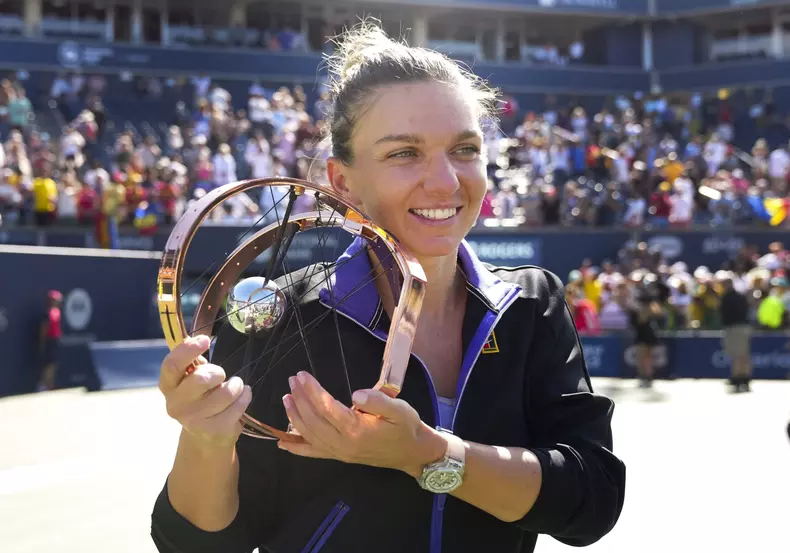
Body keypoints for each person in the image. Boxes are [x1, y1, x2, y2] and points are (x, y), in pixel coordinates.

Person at [150, 22, 625, 553]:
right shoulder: (280, 315)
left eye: (465, 149)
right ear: (342, 181)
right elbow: (197, 545)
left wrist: (423, 454)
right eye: (405, 153)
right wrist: (206, 440)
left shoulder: (532, 303)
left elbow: (591, 502)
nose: (445, 181)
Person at [719, 275, 752, 393]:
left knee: (737, 354)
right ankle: (745, 378)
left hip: (733, 328)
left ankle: (737, 378)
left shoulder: (726, 297)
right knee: (744, 354)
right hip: (744, 327)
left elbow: (723, 314)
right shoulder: (741, 297)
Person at [37, 290, 63, 391]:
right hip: (49, 341)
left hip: (55, 340)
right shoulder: (47, 314)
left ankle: (50, 385)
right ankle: (43, 385)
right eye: (56, 300)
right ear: (51, 301)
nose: (58, 302)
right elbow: (43, 328)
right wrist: (42, 342)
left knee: (54, 364)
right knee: (49, 364)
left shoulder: (57, 312)